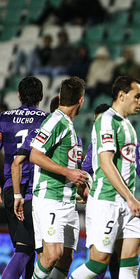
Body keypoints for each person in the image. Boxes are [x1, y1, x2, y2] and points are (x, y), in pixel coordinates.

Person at [70, 76, 140, 278]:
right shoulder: (106, 120)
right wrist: (132, 200)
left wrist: (133, 201)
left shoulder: (127, 124)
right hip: (107, 201)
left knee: (130, 262)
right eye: (137, 96)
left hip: (127, 204)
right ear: (122, 95)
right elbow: (106, 163)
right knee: (98, 265)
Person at [30, 76, 88, 278]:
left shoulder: (68, 125)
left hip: (68, 201)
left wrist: (82, 189)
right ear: (81, 100)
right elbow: (35, 155)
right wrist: (68, 172)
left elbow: (68, 164)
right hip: (50, 199)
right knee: (52, 254)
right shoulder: (55, 120)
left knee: (66, 259)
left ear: (60, 95)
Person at [0, 77, 48, 279]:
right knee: (27, 249)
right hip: (34, 192)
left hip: (12, 187)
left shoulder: (3, 118)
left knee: (25, 249)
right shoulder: (47, 119)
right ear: (42, 97)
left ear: (18, 96)